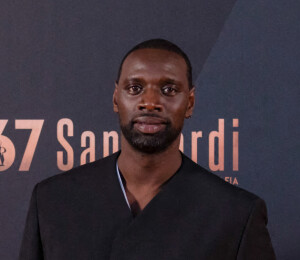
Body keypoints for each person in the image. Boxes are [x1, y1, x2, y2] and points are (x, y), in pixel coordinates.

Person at [19, 39, 276, 259]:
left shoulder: (236, 214)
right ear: (115, 98)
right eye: (135, 88)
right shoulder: (53, 201)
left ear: (190, 103)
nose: (150, 102)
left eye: (169, 89)